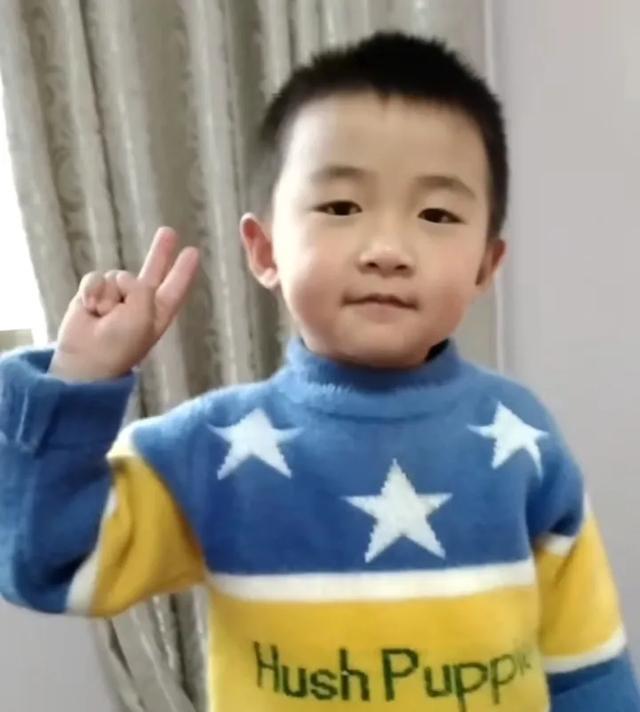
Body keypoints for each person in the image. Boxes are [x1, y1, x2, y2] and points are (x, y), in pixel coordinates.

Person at [0, 31, 637, 712]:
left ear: (485, 264)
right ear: (265, 249)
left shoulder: (522, 436)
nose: (387, 248)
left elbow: (587, 668)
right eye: (340, 207)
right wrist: (77, 382)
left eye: (437, 213)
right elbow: (47, 562)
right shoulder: (209, 449)